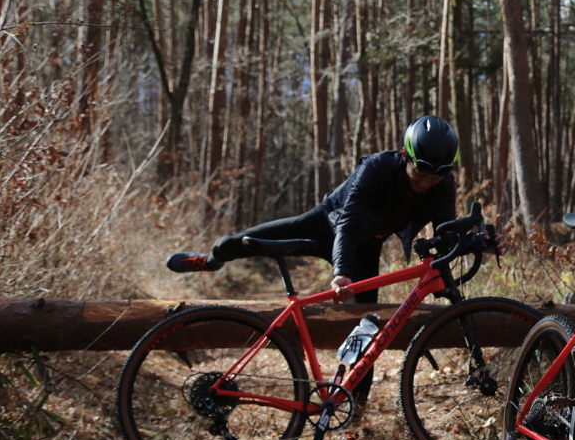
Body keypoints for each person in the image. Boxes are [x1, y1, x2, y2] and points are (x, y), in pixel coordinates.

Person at [168, 114, 459, 306]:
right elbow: (348, 222)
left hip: (367, 249)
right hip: (325, 225)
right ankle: (208, 260)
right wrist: (341, 271)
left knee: (367, 326)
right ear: (406, 155)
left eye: (435, 178)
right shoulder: (376, 168)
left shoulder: (443, 185)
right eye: (419, 173)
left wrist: (482, 241)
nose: (425, 183)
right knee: (236, 242)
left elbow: (447, 233)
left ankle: (356, 401)